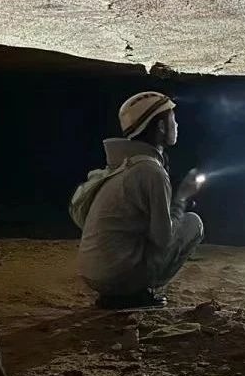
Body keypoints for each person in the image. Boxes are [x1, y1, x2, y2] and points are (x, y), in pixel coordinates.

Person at [75, 90, 204, 310]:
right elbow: (163, 240)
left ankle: (117, 293)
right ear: (162, 128)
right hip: (117, 278)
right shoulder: (151, 171)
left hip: (91, 274)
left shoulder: (124, 165)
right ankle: (135, 294)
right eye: (173, 119)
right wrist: (182, 198)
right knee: (193, 223)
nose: (177, 125)